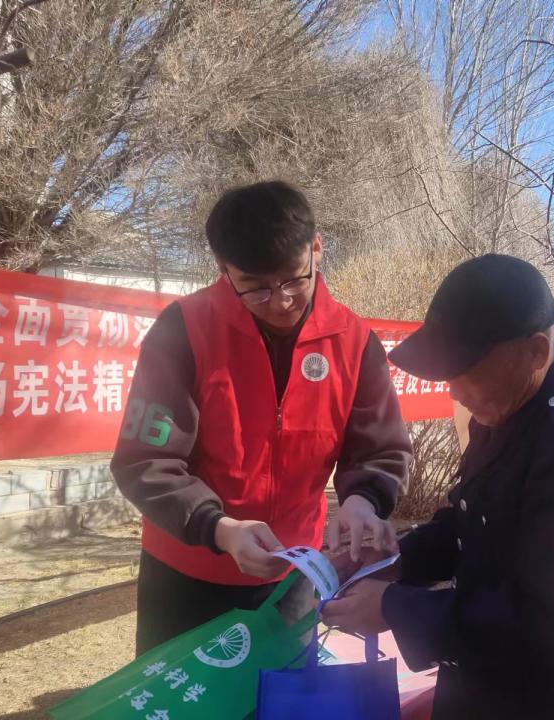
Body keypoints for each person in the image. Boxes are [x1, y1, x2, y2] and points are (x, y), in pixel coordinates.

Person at [323, 254, 554, 720]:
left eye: (466, 372)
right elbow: (471, 519)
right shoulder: (511, 403)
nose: (453, 391)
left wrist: (393, 608)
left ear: (535, 351)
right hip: (504, 711)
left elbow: (547, 620)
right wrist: (394, 561)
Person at [111, 181, 412, 654]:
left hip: (291, 575)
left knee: (281, 693)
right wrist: (219, 528)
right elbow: (144, 461)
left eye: (294, 279)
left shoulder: (354, 342)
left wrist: (363, 502)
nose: (280, 300)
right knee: (187, 700)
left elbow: (381, 448)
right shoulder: (183, 330)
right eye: (255, 288)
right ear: (223, 268)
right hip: (188, 571)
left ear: (316, 248)